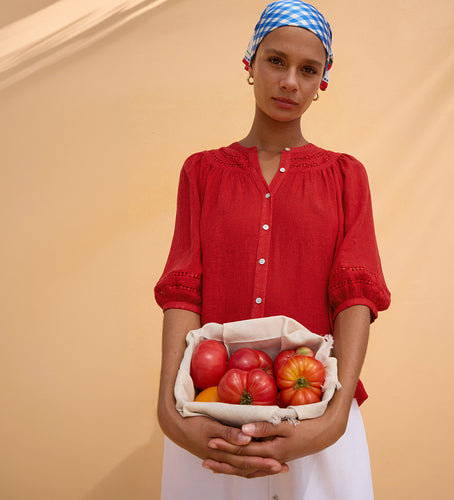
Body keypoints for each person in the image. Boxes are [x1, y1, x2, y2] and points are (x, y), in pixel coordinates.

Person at [152, 1, 389, 498]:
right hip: (212, 418)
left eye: (309, 70)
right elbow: (183, 291)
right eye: (276, 61)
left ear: (323, 81)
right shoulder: (202, 173)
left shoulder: (346, 177)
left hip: (313, 421)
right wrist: (169, 412)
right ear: (250, 64)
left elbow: (355, 297)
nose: (290, 82)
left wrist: (334, 419)